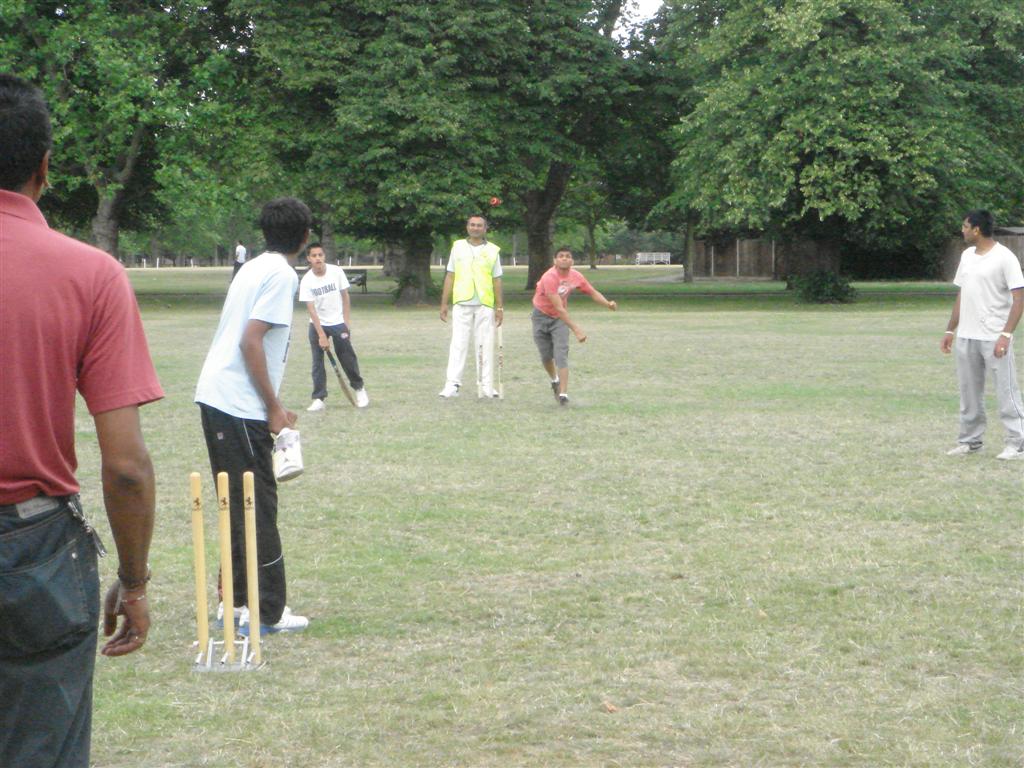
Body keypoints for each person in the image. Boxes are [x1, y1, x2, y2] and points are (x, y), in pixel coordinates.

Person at [0, 73, 163, 767]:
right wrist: (133, 579)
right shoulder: (91, 275)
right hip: (34, 551)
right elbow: (125, 465)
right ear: (43, 167)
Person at [195, 197, 312, 633]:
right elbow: (251, 342)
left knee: (237, 507)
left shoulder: (252, 267)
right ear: (305, 237)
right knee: (256, 506)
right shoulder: (282, 275)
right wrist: (273, 408)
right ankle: (267, 611)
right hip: (237, 404)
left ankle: (238, 603)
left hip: (217, 398)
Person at [941, 210, 1024, 460]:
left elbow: (1018, 299)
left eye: (965, 226)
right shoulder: (967, 256)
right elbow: (962, 294)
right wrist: (950, 329)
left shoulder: (1004, 258)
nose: (962, 230)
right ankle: (970, 440)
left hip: (994, 336)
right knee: (969, 392)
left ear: (977, 229)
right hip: (968, 335)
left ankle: (1017, 442)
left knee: (1006, 390)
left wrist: (1005, 335)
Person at [532, 246, 618, 405]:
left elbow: (592, 292)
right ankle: (554, 380)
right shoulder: (549, 277)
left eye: (568, 256)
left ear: (572, 260)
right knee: (546, 356)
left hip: (560, 320)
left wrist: (608, 304)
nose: (564, 258)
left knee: (561, 355)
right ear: (555, 260)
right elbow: (558, 307)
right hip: (540, 316)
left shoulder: (576, 276)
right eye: (561, 256)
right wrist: (577, 329)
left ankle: (563, 394)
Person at [439, 214, 504, 398]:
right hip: (462, 302)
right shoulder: (458, 247)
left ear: (485, 229)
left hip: (484, 304)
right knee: (458, 344)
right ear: (467, 227)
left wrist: (500, 307)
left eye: (479, 225)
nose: (476, 228)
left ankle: (486, 385)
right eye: (472, 225)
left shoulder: (493, 250)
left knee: (484, 344)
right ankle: (452, 384)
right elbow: (450, 275)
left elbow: (497, 279)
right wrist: (444, 303)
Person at [299, 243, 369, 410]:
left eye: (320, 255)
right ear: (309, 258)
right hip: (317, 324)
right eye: (314, 256)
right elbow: (311, 309)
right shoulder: (307, 280)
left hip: (338, 323)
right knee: (317, 362)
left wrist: (346, 323)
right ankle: (319, 398)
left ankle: (359, 388)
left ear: (324, 256)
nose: (318, 259)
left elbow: (345, 296)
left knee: (347, 357)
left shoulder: (336, 272)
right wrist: (321, 335)